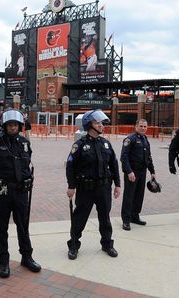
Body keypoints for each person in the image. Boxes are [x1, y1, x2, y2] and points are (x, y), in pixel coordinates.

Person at [0, 108, 41, 278]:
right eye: (10, 125)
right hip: (2, 192)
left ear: (20, 126)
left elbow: (28, 162)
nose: (13, 128)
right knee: (1, 228)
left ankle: (27, 257)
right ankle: (4, 262)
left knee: (23, 226)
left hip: (21, 192)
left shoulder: (25, 142)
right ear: (4, 126)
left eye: (15, 125)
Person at [66, 110, 121, 260]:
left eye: (101, 123)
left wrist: (117, 184)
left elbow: (114, 165)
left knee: (105, 218)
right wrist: (71, 186)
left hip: (103, 188)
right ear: (89, 125)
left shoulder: (106, 144)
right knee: (79, 218)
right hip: (86, 188)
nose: (101, 125)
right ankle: (73, 245)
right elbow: (70, 166)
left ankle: (107, 244)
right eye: (98, 123)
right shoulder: (79, 145)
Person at [120, 119, 155, 231]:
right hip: (132, 172)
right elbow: (124, 157)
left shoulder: (145, 139)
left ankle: (134, 216)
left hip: (142, 172)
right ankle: (126, 220)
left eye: (145, 126)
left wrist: (152, 171)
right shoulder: (130, 139)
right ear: (135, 126)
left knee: (139, 195)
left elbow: (148, 157)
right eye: (141, 126)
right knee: (129, 196)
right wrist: (129, 171)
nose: (143, 128)